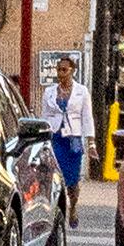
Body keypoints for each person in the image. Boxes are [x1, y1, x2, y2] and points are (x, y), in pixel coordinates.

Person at [43, 54, 94, 190]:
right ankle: (59, 205)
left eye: (64, 70)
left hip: (73, 139)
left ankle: (72, 205)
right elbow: (45, 116)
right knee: (56, 174)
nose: (60, 73)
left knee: (72, 179)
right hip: (56, 138)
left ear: (72, 71)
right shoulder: (49, 92)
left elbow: (87, 117)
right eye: (58, 70)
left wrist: (91, 143)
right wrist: (43, 138)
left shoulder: (82, 92)